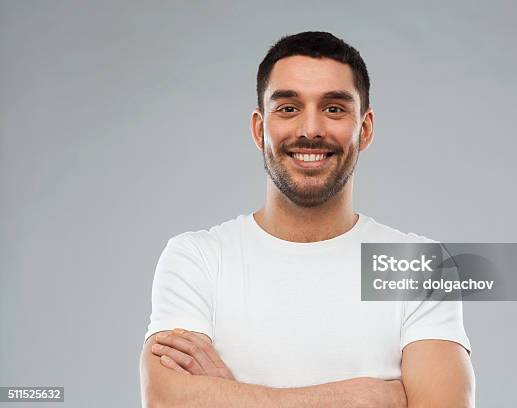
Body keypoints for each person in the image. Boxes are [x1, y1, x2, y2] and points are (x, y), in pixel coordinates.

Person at [139, 31, 475, 407]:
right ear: (258, 128)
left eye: (333, 109)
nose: (310, 129)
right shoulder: (197, 258)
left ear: (363, 129)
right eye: (288, 108)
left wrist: (230, 397)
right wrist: (361, 398)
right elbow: (167, 400)